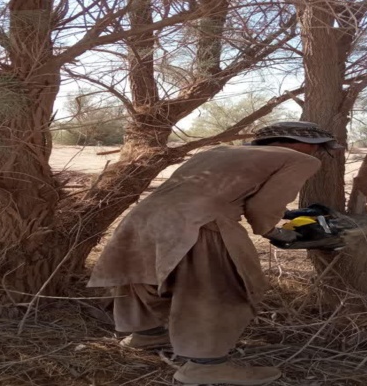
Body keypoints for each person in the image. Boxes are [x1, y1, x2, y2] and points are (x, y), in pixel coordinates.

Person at [87, 121, 342, 385]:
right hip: (200, 223)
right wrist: (279, 233)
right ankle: (205, 366)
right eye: (319, 148)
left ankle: (147, 333)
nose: (317, 153)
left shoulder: (217, 152)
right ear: (304, 144)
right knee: (217, 287)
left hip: (144, 218)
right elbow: (264, 206)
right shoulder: (300, 159)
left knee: (144, 276)